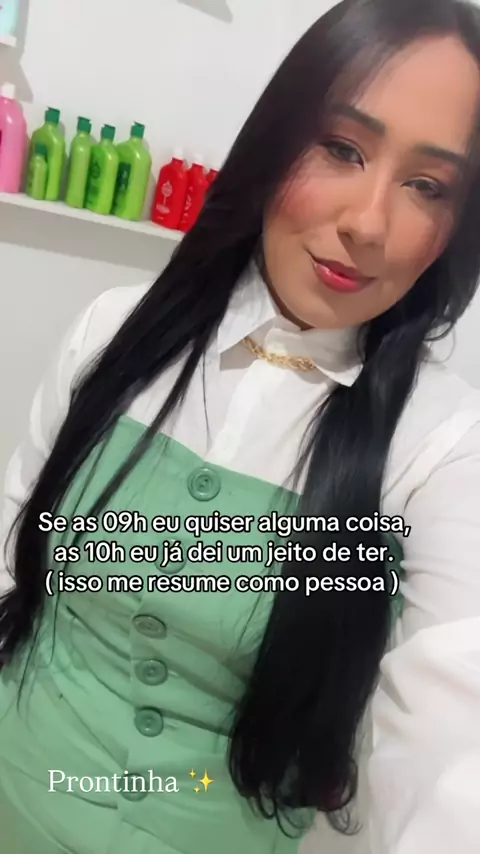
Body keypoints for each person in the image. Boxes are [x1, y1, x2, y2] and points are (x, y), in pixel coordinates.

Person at [2, 0, 480, 851]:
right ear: (274, 143)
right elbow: (13, 552)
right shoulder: (114, 330)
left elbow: (454, 742)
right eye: (342, 148)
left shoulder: (442, 447)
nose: (368, 222)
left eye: (427, 186)